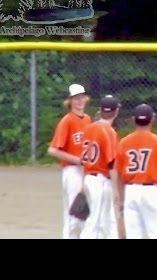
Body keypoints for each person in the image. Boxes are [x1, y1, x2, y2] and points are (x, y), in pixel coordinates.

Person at [114, 103, 157, 239]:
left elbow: (119, 175)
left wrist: (121, 198)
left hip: (131, 192)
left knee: (133, 235)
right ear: (152, 119)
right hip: (151, 192)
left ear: (133, 120)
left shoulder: (124, 142)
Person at [48, 83, 92, 239]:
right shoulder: (67, 121)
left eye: (81, 97)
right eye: (76, 98)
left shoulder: (87, 119)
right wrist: (77, 160)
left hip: (85, 171)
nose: (79, 101)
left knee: (84, 212)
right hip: (72, 171)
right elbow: (53, 150)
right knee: (75, 214)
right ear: (70, 101)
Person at [80, 95, 123, 239]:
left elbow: (83, 159)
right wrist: (117, 190)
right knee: (96, 221)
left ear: (100, 110)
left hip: (88, 177)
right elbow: (111, 163)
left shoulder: (89, 128)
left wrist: (82, 181)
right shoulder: (109, 132)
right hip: (101, 180)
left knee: (107, 220)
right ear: (116, 111)